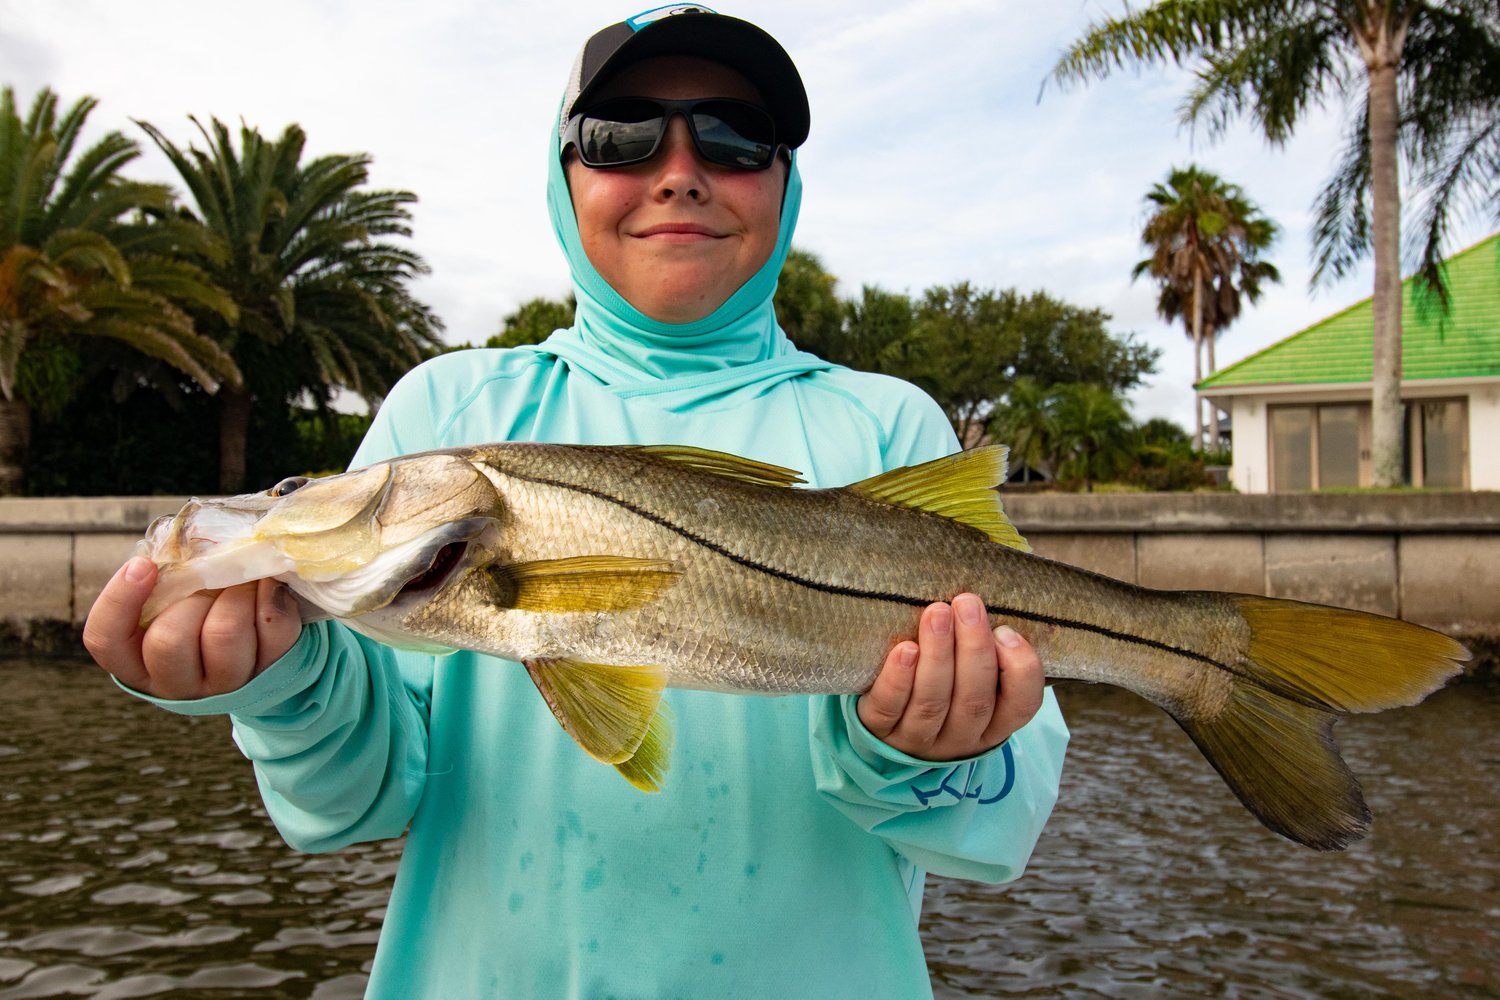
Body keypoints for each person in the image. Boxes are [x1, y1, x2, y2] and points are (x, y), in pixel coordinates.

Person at [85, 6, 1070, 997]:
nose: (679, 169)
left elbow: (1003, 818)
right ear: (562, 176)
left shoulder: (889, 423)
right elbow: (354, 800)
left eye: (735, 137)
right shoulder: (446, 409)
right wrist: (281, 685)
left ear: (787, 182)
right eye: (621, 135)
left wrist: (915, 749)